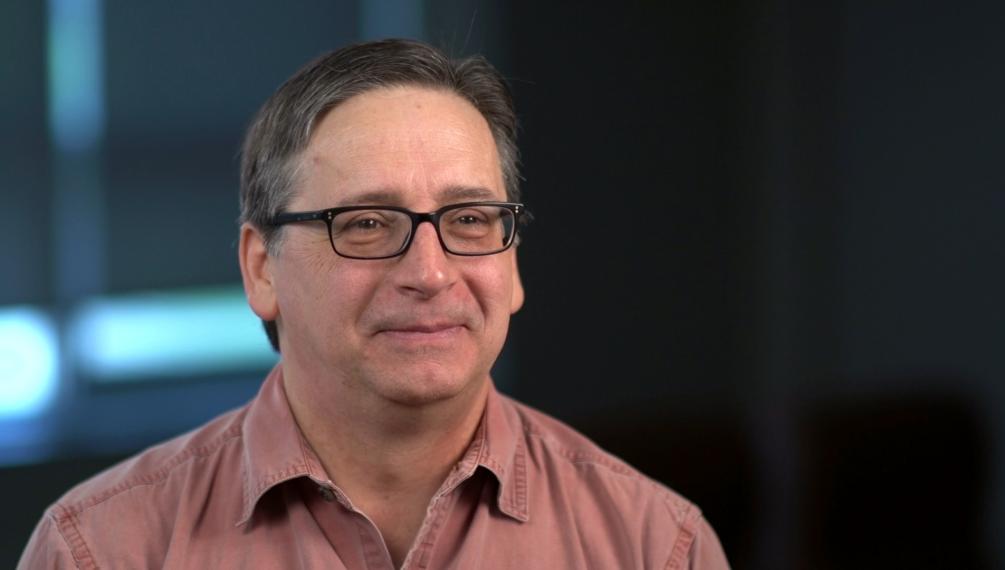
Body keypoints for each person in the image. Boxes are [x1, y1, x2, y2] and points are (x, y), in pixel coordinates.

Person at [18, 39, 729, 569]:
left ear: (511, 266)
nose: (428, 272)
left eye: (471, 220)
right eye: (364, 224)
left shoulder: (655, 544)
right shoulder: (101, 550)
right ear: (261, 269)